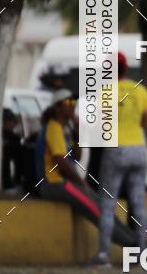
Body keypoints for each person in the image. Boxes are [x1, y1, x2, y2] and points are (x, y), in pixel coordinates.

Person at [35, 89, 137, 260]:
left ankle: (136, 240)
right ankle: (133, 244)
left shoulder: (64, 129)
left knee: (102, 207)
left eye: (73, 102)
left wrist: (78, 134)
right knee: (94, 209)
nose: (72, 106)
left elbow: (78, 156)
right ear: (57, 108)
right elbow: (61, 161)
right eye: (67, 103)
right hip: (53, 183)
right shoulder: (53, 128)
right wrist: (81, 183)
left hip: (65, 181)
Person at [95, 52, 147, 265]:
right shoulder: (141, 90)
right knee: (138, 202)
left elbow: (97, 124)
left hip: (115, 149)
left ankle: (103, 255)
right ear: (126, 68)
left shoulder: (105, 92)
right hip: (138, 149)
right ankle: (141, 252)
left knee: (108, 203)